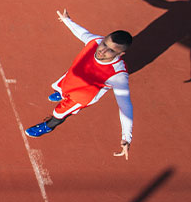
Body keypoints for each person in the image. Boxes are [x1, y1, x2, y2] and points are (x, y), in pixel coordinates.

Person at [25, 9, 134, 159]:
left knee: (59, 113)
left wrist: (126, 137)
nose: (102, 51)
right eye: (104, 44)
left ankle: (49, 126)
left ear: (120, 54)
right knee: (61, 89)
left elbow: (125, 106)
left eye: (110, 50)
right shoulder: (95, 42)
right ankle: (62, 94)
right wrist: (67, 20)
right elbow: (82, 33)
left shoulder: (118, 75)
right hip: (71, 80)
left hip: (81, 96)